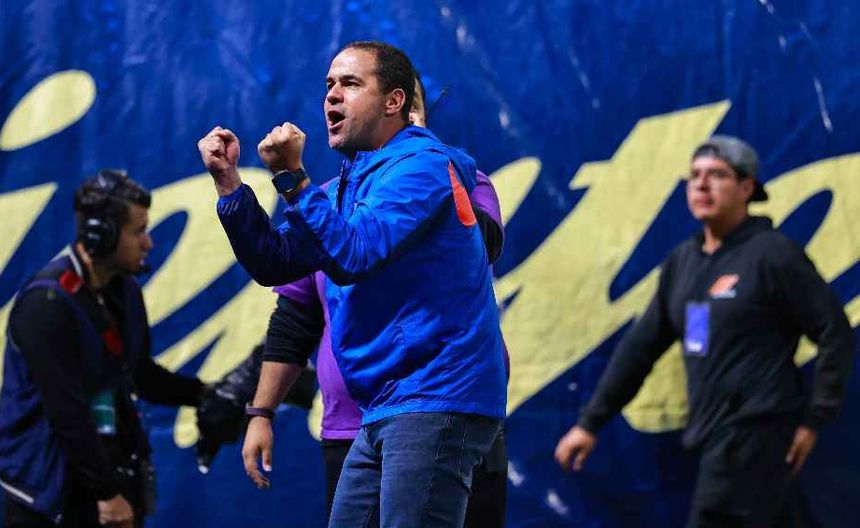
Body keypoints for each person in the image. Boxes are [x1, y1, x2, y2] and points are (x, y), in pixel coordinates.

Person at [198, 41, 506, 526]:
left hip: (434, 395)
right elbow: (276, 263)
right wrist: (229, 185)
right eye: (328, 85)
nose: (331, 95)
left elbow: (355, 254)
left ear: (394, 101)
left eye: (350, 83)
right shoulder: (350, 185)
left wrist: (292, 177)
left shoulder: (424, 166)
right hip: (384, 404)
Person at [554, 136, 855, 527]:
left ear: (746, 188)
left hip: (756, 432)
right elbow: (640, 349)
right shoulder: (684, 263)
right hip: (714, 438)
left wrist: (815, 419)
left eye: (717, 175)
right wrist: (590, 422)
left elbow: (834, 332)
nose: (701, 184)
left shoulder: (773, 254)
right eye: (694, 175)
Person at [0, 170, 207, 528]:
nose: (148, 243)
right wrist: (108, 494)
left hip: (99, 479)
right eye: (139, 231)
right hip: (49, 499)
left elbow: (138, 373)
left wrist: (206, 395)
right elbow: (66, 410)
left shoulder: (123, 290)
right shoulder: (46, 304)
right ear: (101, 235)